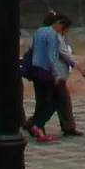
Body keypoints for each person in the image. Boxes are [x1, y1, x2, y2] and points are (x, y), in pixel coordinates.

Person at [25, 10, 67, 141]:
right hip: (46, 71)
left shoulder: (38, 32)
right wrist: (56, 74)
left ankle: (38, 130)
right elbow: (51, 56)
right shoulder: (52, 34)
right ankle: (38, 125)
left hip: (35, 70)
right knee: (57, 99)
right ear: (57, 23)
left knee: (41, 101)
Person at [55, 14, 85, 137]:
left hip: (59, 74)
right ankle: (33, 124)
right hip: (57, 74)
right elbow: (65, 54)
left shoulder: (60, 37)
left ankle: (68, 126)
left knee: (59, 102)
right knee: (60, 102)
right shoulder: (56, 38)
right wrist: (79, 67)